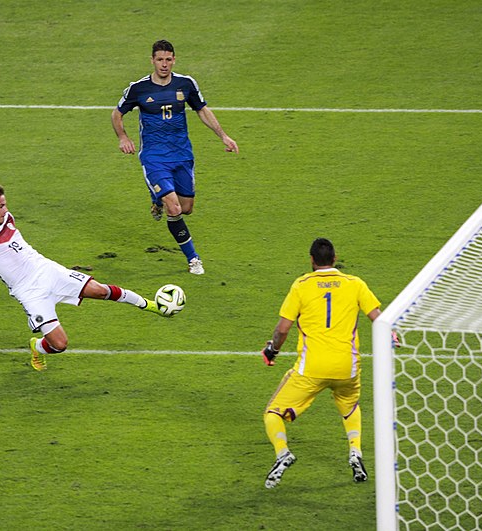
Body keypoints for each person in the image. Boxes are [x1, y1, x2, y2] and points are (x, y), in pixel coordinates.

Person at [0, 185, 168, 371]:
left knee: (100, 290)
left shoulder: (7, 219)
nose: (5, 208)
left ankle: (152, 305)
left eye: (5, 204)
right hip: (29, 291)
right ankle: (36, 346)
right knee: (59, 344)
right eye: (0, 205)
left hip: (47, 270)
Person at [260, 238, 392, 489]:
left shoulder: (301, 285)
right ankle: (355, 452)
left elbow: (282, 329)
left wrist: (272, 350)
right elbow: (379, 318)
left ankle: (282, 453)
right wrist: (391, 335)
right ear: (335, 258)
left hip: (312, 368)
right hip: (347, 368)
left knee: (273, 412)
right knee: (350, 406)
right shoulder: (355, 284)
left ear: (311, 260)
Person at [111, 39, 239, 275]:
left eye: (168, 59)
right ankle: (193, 259)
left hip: (182, 155)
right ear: (152, 60)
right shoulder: (138, 88)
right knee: (174, 207)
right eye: (159, 59)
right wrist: (123, 137)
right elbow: (117, 114)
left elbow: (202, 110)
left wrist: (223, 136)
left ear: (174, 60)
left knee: (187, 208)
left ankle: (156, 196)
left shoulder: (186, 84)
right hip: (154, 157)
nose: (164, 64)